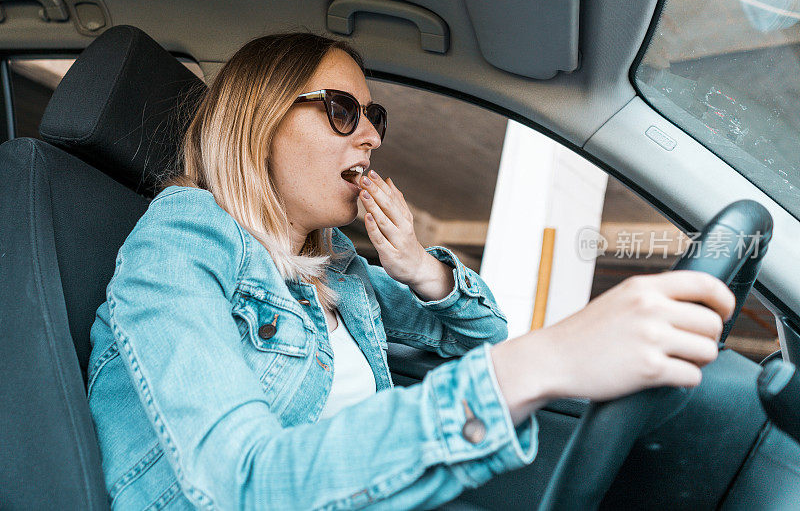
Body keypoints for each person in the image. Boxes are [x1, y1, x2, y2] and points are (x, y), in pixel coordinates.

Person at [86, 32, 736, 510]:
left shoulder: (337, 266)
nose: (369, 135)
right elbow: (239, 485)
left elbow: (480, 339)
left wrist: (423, 268)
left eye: (375, 117)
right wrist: (544, 362)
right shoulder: (183, 239)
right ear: (258, 119)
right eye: (343, 110)